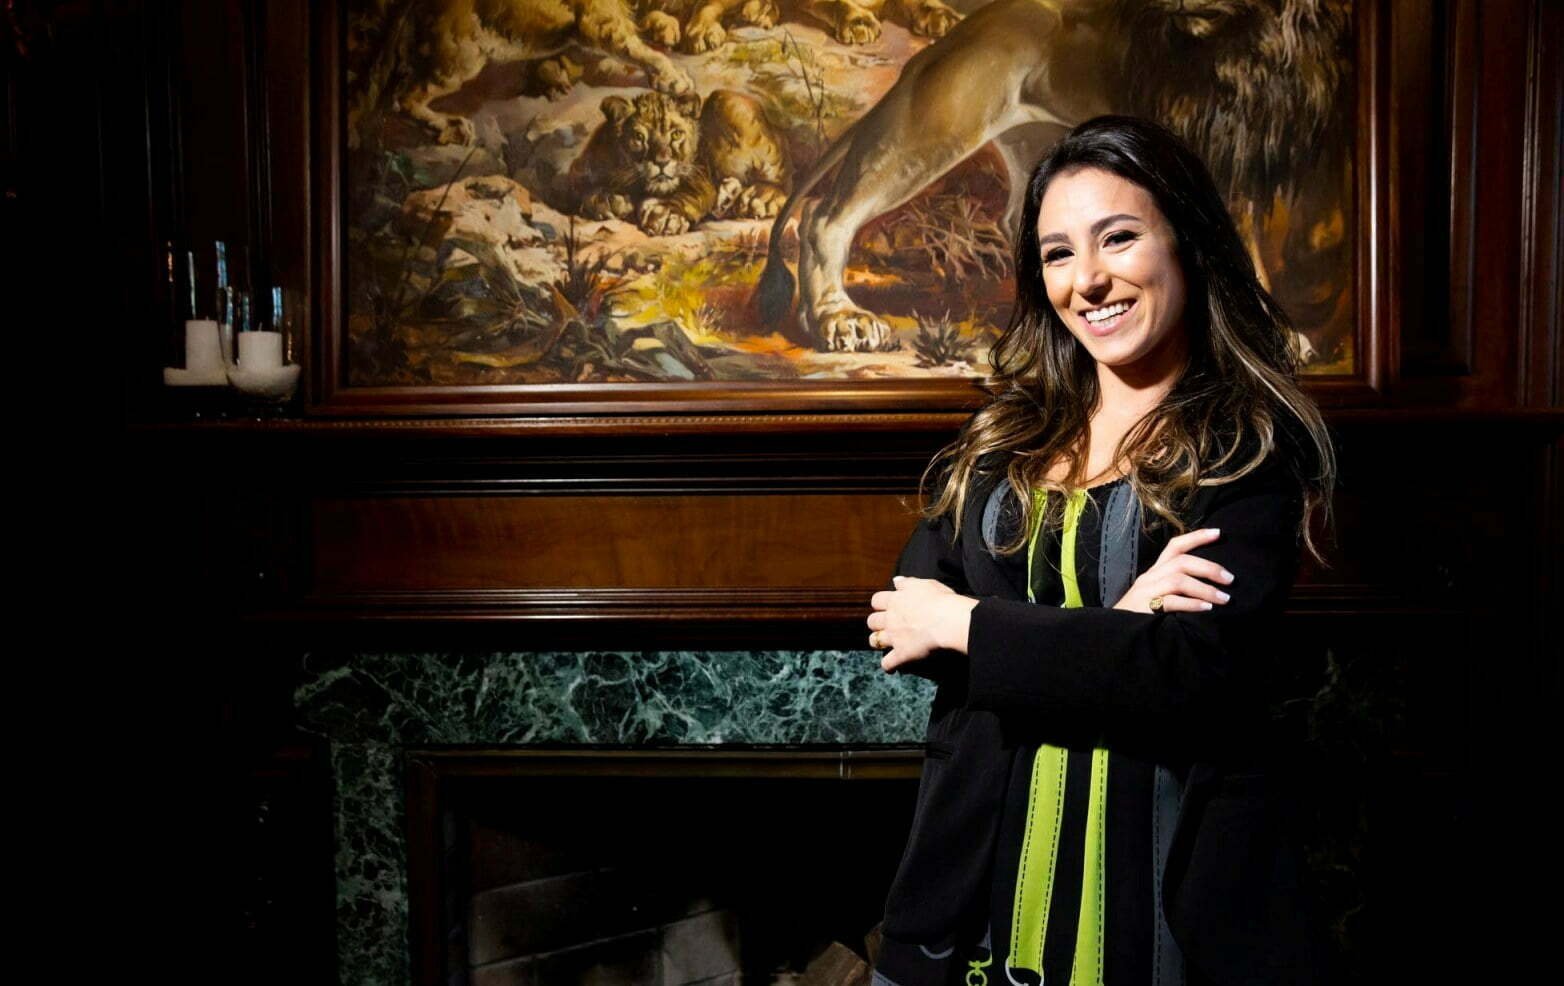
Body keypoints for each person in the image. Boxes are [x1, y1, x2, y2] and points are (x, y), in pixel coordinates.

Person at [864, 115, 1339, 986]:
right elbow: (904, 621)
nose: (1087, 280)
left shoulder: (1247, 448)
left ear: (1185, 243)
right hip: (976, 890)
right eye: (1057, 253)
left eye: (1118, 238)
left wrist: (974, 626)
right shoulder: (1004, 440)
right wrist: (1123, 622)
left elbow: (1190, 672)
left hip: (1168, 904)